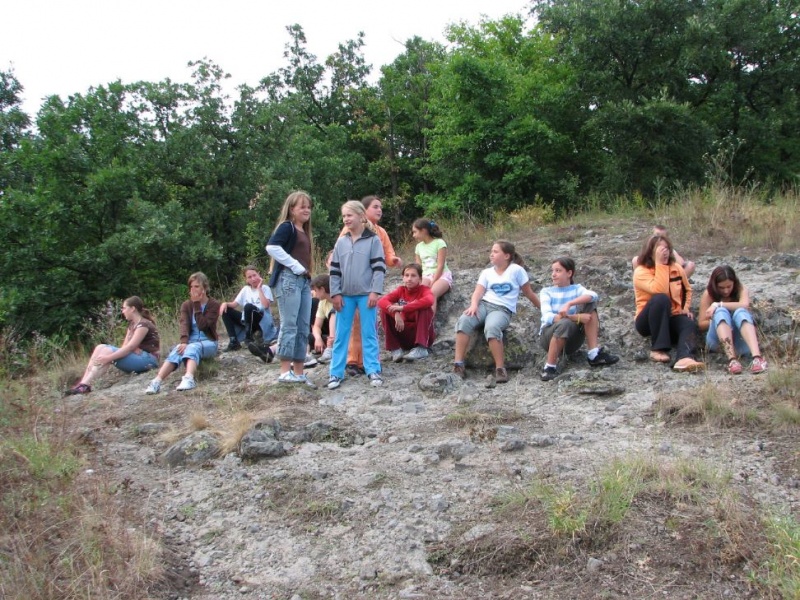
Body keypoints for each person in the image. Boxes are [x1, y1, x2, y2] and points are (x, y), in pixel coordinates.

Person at [453, 240, 540, 384]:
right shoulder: (486, 272)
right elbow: (478, 292)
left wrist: (543, 309)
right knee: (464, 321)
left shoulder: (517, 271)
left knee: (492, 327)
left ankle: (500, 368)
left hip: (502, 309)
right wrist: (473, 305)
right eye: (491, 251)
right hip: (484, 305)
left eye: (495, 251)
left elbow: (529, 293)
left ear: (506, 256)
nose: (491, 254)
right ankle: (458, 364)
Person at [340, 195, 403, 376]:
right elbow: (340, 254)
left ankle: (368, 362)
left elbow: (387, 253)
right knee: (355, 323)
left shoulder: (381, 232)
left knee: (368, 324)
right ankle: (352, 361)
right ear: (363, 211)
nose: (379, 210)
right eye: (375, 206)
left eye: (380, 207)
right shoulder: (349, 229)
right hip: (352, 284)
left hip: (371, 284)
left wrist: (393, 259)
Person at [327, 200, 386, 390]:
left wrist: (375, 291)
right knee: (341, 335)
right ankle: (335, 373)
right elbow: (334, 270)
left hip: (366, 295)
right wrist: (335, 293)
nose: (346, 219)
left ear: (361, 216)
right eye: (344, 216)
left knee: (369, 333)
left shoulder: (373, 240)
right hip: (344, 296)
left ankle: (373, 369)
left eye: (349, 215)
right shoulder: (341, 242)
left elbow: (379, 268)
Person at [539, 258, 619, 381]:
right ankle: (549, 367)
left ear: (569, 273)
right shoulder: (546, 292)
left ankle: (594, 354)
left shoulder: (577, 289)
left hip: (572, 339)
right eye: (552, 271)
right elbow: (547, 316)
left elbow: (593, 295)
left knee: (590, 304)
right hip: (549, 337)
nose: (553, 274)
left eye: (558, 271)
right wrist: (576, 317)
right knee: (564, 323)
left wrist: (570, 304)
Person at [266, 190, 316, 386]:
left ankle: (299, 372)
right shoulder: (287, 227)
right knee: (289, 325)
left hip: (303, 281)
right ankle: (285, 371)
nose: (306, 210)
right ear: (292, 209)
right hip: (288, 279)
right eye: (302, 207)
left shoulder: (304, 231)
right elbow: (272, 247)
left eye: (308, 207)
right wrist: (294, 265)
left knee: (303, 326)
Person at [633, 235, 704, 372]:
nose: (664, 252)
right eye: (660, 249)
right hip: (647, 321)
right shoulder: (641, 271)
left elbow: (687, 289)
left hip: (672, 316)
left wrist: (684, 308)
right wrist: (660, 265)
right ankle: (658, 349)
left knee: (689, 322)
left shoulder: (676, 268)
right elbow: (660, 290)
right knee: (661, 298)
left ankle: (685, 357)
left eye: (666, 248)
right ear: (650, 251)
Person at [66, 296, 160, 395]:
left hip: (148, 360)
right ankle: (83, 383)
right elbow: (125, 347)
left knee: (107, 351)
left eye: (124, 308)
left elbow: (130, 347)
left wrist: (108, 358)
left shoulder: (143, 325)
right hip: (138, 356)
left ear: (132, 309)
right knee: (100, 347)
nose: (122, 311)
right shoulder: (132, 325)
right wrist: (129, 350)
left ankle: (85, 385)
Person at [145, 272, 220, 394]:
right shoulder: (186, 305)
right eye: (191, 287)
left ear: (205, 288)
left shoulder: (214, 305)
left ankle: (189, 378)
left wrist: (197, 304)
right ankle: (157, 381)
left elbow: (203, 325)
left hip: (208, 341)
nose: (193, 290)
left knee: (193, 347)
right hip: (191, 341)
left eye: (197, 286)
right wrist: (184, 341)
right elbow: (184, 324)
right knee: (177, 350)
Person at [698, 265, 768, 374]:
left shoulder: (741, 289)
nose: (726, 291)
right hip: (718, 342)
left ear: (734, 283)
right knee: (721, 313)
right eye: (721, 288)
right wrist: (716, 320)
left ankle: (757, 358)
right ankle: (732, 360)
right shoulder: (709, 294)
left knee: (740, 312)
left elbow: (744, 304)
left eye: (729, 286)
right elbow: (701, 324)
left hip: (740, 341)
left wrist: (718, 304)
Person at [378, 263, 435, 362]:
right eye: (406, 275)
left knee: (425, 308)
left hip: (421, 335)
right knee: (385, 310)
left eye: (413, 276)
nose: (409, 279)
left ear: (420, 279)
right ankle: (395, 349)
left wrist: (403, 308)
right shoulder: (400, 290)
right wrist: (396, 313)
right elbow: (381, 301)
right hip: (403, 333)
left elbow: (430, 300)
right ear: (403, 278)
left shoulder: (424, 290)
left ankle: (421, 348)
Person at [219, 265, 277, 352]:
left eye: (254, 275)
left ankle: (248, 338)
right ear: (246, 279)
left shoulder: (265, 288)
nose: (253, 279)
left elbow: (265, 306)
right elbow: (234, 304)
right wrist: (225, 303)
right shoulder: (245, 289)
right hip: (247, 321)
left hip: (261, 320)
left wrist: (259, 289)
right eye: (249, 277)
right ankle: (233, 341)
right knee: (226, 311)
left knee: (248, 307)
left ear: (259, 274)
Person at [413, 218, 452, 312]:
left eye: (415, 232)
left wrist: (433, 281)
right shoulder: (418, 247)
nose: (413, 235)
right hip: (426, 275)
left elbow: (440, 265)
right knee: (418, 293)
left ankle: (429, 320)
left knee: (432, 293)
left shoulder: (439, 243)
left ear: (423, 231)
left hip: (441, 275)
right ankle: (416, 318)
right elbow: (418, 266)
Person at [310, 274, 336, 364]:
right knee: (309, 336)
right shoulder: (323, 302)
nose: (315, 293)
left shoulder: (338, 299)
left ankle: (330, 348)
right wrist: (318, 338)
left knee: (333, 312)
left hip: (344, 334)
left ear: (322, 289)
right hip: (329, 336)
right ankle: (307, 354)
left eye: (316, 290)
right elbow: (316, 326)